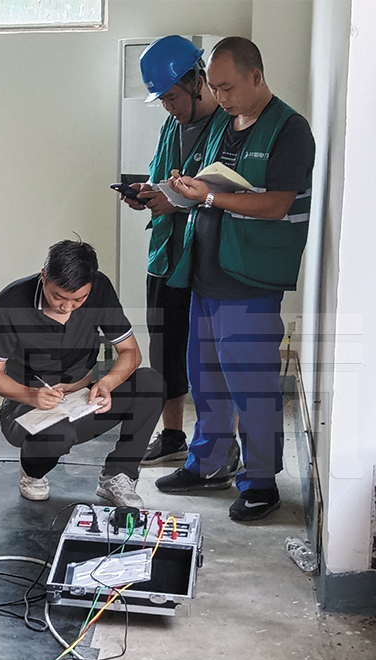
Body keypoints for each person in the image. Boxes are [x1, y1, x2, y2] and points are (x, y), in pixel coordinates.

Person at [154, 37, 315, 522]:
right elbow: (209, 184)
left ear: (256, 77)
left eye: (227, 88)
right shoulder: (224, 124)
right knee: (206, 379)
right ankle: (207, 464)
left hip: (250, 279)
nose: (219, 98)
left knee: (252, 385)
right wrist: (182, 190)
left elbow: (277, 204)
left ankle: (261, 482)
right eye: (214, 88)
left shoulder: (288, 129)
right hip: (206, 273)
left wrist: (209, 197)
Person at [0, 239, 164, 508]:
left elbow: (131, 352)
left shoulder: (99, 288)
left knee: (150, 382)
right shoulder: (12, 301)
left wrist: (107, 384)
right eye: (58, 297)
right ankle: (32, 472)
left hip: (82, 401)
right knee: (58, 433)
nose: (67, 307)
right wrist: (31, 395)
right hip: (25, 406)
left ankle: (118, 475)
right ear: (44, 276)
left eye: (79, 299)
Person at [120, 35, 231, 469]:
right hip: (165, 255)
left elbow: (227, 191)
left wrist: (179, 203)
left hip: (207, 258)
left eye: (171, 97)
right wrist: (146, 193)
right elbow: (162, 177)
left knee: (209, 357)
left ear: (196, 81)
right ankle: (172, 436)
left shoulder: (226, 125)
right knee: (166, 348)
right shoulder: (172, 126)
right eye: (162, 100)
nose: (168, 107)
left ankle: (220, 443)